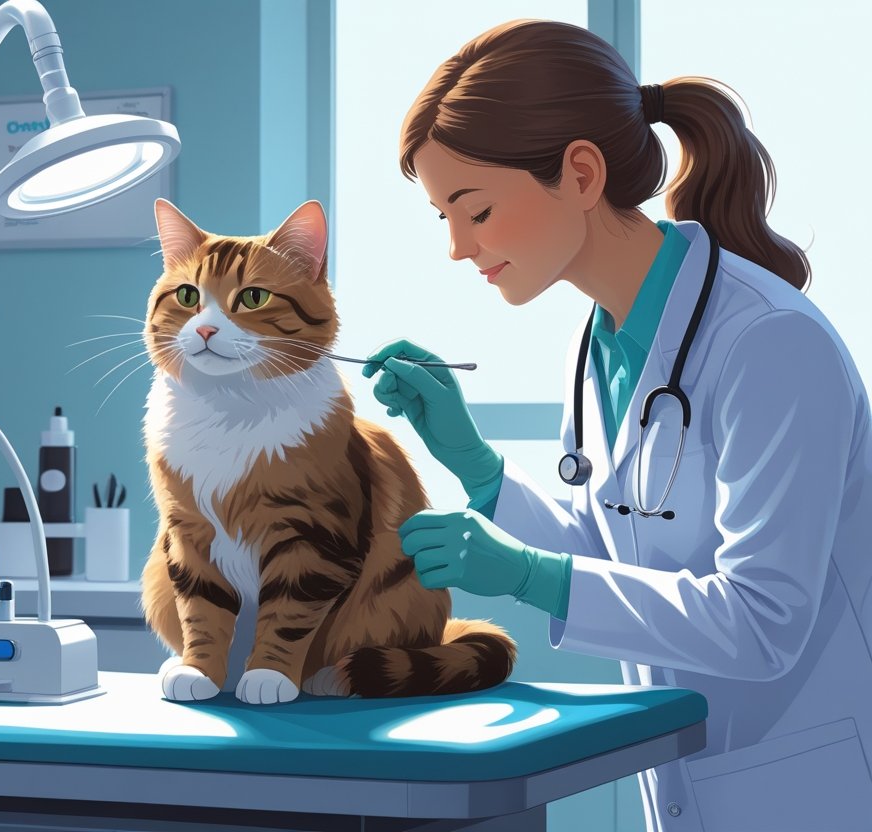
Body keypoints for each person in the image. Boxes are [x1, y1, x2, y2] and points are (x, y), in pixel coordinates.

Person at [365, 19, 872, 832]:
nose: (459, 248)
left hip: (809, 788)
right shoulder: (602, 342)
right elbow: (618, 545)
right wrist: (478, 467)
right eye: (443, 219)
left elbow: (763, 620)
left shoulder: (772, 344)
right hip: (689, 783)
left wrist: (532, 576)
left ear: (581, 172)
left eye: (477, 209)